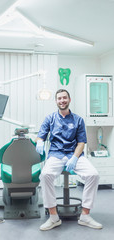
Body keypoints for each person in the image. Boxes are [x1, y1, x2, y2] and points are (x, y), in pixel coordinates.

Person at [36, 89, 103, 231]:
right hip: (56, 154)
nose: (62, 100)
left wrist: (74, 157)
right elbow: (40, 135)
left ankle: (85, 215)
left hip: (75, 155)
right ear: (56, 101)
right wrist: (40, 141)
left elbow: (81, 143)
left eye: (64, 98)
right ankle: (53, 217)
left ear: (69, 100)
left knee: (93, 175)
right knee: (45, 175)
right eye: (59, 98)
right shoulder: (50, 118)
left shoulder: (78, 120)